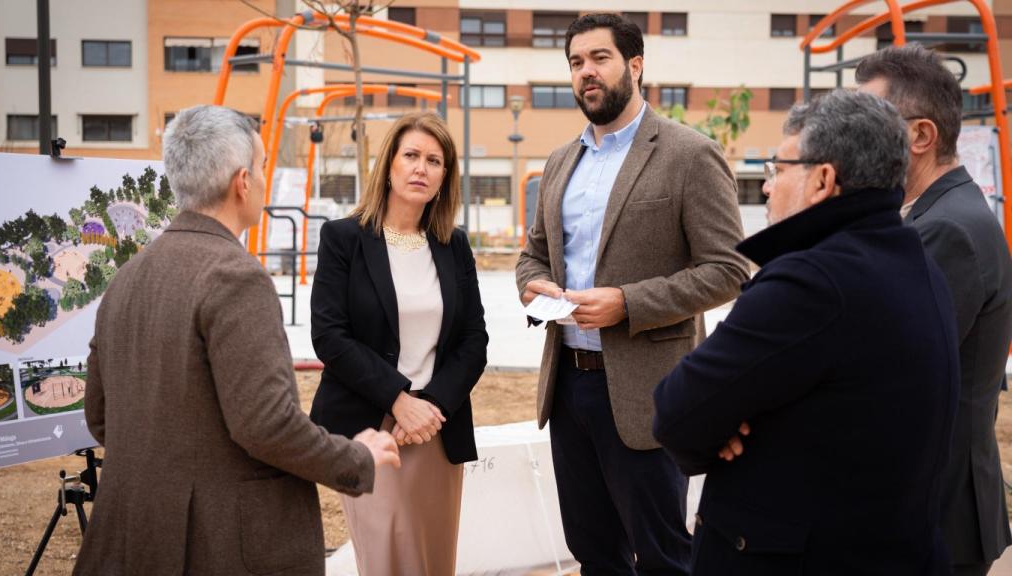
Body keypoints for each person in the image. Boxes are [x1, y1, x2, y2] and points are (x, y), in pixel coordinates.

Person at [74, 105, 400, 576]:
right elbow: (265, 425)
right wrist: (356, 456)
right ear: (242, 181)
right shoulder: (235, 277)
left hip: (132, 534)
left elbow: (101, 416)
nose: (266, 179)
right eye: (264, 167)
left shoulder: (126, 278)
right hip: (220, 545)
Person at [653, 90, 959, 575]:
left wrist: (718, 427)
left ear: (822, 179)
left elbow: (676, 411)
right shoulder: (915, 259)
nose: (768, 189)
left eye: (778, 170)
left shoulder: (811, 281)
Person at [515, 12, 749, 574]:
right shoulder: (558, 162)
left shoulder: (689, 154)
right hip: (568, 389)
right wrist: (533, 285)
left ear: (635, 65)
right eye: (576, 63)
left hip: (649, 393)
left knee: (665, 556)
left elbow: (729, 268)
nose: (586, 73)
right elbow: (532, 255)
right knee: (593, 552)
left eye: (599, 58)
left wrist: (628, 302)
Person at [309, 111, 488, 575]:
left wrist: (429, 407)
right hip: (372, 427)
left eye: (434, 160)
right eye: (411, 155)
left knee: (432, 560)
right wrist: (398, 400)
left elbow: (474, 340)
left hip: (436, 426)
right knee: (387, 557)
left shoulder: (454, 245)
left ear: (445, 176)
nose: (421, 168)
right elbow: (330, 336)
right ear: (389, 164)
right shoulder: (343, 238)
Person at [856, 45, 1012, 576]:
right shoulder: (935, 214)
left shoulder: (945, 229)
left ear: (921, 136)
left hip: (935, 513)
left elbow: (884, 372)